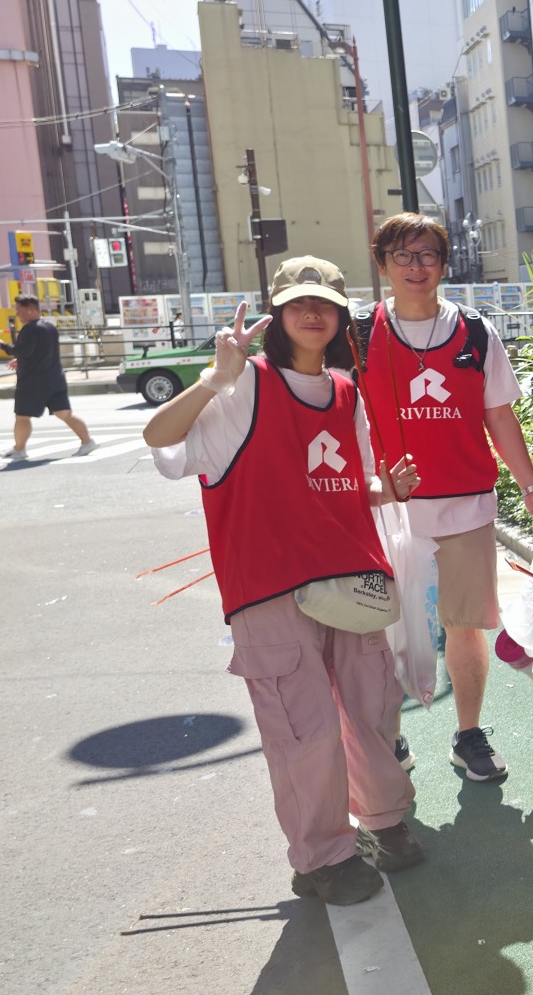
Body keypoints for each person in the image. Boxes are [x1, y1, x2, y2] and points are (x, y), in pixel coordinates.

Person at [142, 256, 427, 906]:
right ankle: (322, 856)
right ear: (276, 310)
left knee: (372, 708)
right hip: (269, 585)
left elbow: (352, 484)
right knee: (305, 726)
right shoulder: (244, 385)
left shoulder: (346, 392)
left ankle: (384, 822)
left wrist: (388, 489)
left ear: (339, 315)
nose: (311, 312)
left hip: (350, 576)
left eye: (324, 302)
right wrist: (213, 380)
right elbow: (161, 441)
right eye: (298, 302)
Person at [353, 212, 533, 782]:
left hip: (465, 502)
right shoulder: (356, 334)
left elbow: (499, 415)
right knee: (381, 625)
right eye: (403, 256)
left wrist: (530, 488)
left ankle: (468, 736)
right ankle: (390, 736)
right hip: (386, 507)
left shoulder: (476, 331)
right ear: (383, 264)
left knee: (464, 623)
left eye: (428, 255)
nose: (416, 267)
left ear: (443, 264)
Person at [0, 294, 94, 460]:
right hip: (55, 379)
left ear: (31, 310)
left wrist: (2, 346)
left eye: (19, 309)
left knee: (22, 416)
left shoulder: (30, 330)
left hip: (33, 382)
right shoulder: (49, 327)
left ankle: (19, 449)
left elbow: (23, 351)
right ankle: (87, 441)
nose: (17, 314)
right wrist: (20, 360)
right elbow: (39, 353)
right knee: (65, 414)